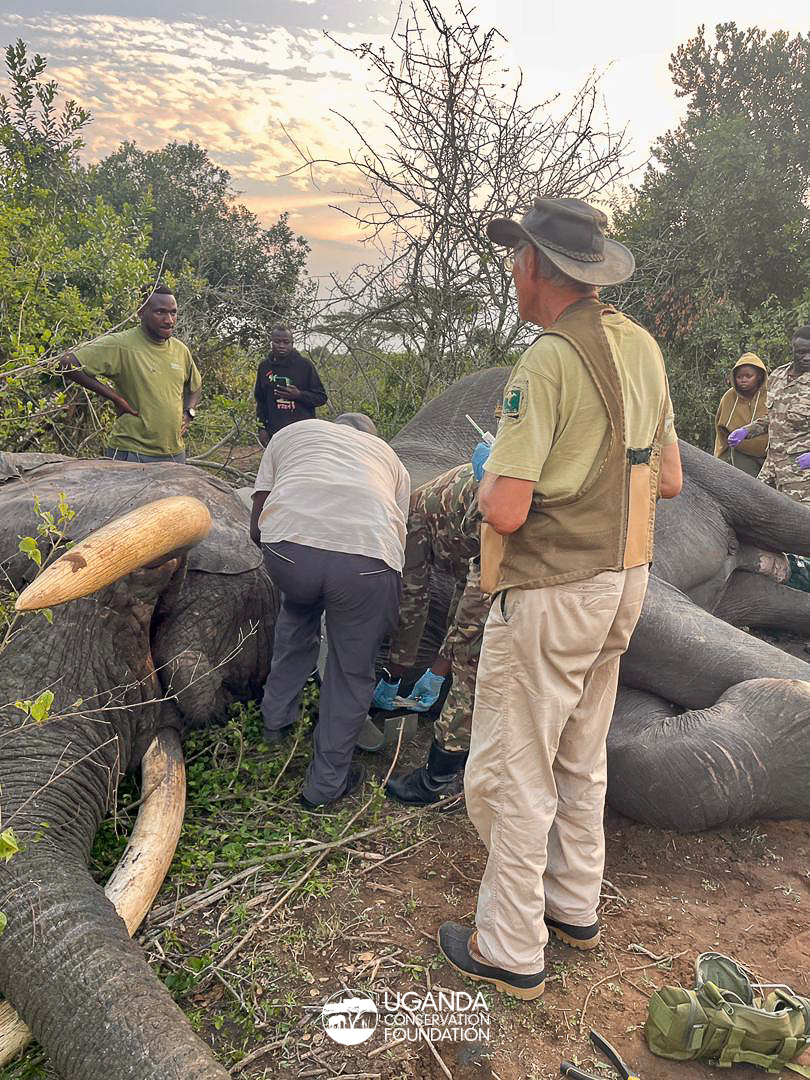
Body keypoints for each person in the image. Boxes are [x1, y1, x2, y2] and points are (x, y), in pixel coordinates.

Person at [436, 197, 683, 1000]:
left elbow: (506, 509)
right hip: (625, 583)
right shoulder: (642, 346)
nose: (513, 272)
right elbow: (670, 477)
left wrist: (485, 471)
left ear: (537, 265)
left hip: (551, 590)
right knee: (581, 752)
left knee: (515, 769)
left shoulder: (544, 362)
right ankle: (572, 905)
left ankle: (511, 946)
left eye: (516, 259)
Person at [249, 413, 410, 808]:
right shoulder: (390, 460)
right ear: (371, 438)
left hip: (289, 553)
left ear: (335, 427)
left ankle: (274, 727)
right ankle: (324, 786)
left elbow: (256, 525)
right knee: (350, 670)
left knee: (297, 617)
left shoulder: (291, 434)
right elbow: (397, 531)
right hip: (366, 564)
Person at [372, 462, 489, 804]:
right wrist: (439, 660)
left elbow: (414, 606)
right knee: (465, 642)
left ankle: (441, 780)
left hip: (502, 549)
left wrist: (397, 674)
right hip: (489, 552)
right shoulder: (435, 502)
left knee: (469, 658)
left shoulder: (410, 523)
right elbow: (464, 582)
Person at [59, 284, 201, 463]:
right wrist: (115, 398)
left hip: (174, 453)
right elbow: (65, 363)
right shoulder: (121, 345)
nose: (169, 320)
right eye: (160, 312)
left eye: (173, 312)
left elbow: (195, 386)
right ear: (141, 312)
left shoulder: (181, 350)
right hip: (132, 453)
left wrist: (189, 412)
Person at [728, 327, 810, 502]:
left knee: (800, 522)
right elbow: (772, 417)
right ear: (793, 350)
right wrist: (746, 431)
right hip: (772, 465)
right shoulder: (778, 376)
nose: (808, 357)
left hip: (802, 473)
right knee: (753, 507)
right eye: (802, 352)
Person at [254, 327, 328, 445]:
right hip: (275, 432)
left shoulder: (304, 366)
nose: (281, 346)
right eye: (277, 342)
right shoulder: (264, 367)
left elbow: (321, 397)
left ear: (292, 343)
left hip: (302, 432)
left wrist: (299, 395)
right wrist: (261, 428)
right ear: (271, 342)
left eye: (286, 342)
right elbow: (260, 400)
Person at [713, 353, 768, 476]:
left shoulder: (771, 394)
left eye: (749, 376)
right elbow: (721, 430)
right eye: (739, 377)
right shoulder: (729, 397)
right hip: (740, 452)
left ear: (759, 376)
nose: (743, 380)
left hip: (770, 454)